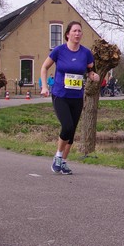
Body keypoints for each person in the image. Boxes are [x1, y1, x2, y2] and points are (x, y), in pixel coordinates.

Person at [40, 21, 98, 175]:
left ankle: (64, 162)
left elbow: (90, 71)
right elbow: (44, 67)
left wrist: (94, 76)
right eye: (74, 31)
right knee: (67, 126)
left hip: (77, 96)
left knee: (71, 133)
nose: (77, 33)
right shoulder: (59, 50)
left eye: (79, 31)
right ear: (67, 34)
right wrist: (44, 86)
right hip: (60, 95)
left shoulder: (86, 53)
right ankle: (58, 157)